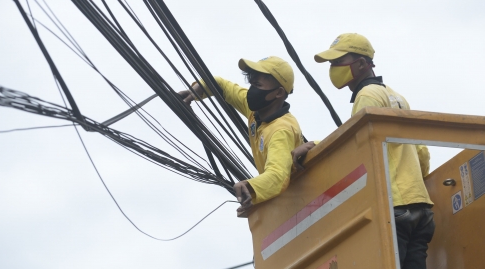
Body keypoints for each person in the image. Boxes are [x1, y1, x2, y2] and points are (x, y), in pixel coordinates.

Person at [291, 33, 434, 269]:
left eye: (338, 61)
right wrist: (416, 186)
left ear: (361, 63)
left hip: (394, 205)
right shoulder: (396, 96)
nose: (333, 68)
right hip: (421, 206)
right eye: (331, 63)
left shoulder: (366, 96)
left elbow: (358, 146)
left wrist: (315, 147)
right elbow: (422, 154)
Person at [180, 56, 304, 213]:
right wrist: (198, 89)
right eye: (252, 84)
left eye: (258, 85)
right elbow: (223, 86)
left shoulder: (281, 130)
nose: (252, 90)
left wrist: (250, 186)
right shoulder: (257, 111)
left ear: (278, 93)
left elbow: (278, 175)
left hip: (299, 201)